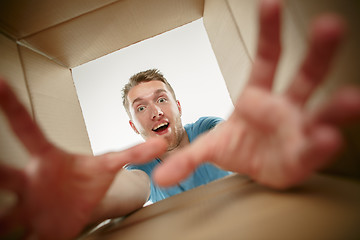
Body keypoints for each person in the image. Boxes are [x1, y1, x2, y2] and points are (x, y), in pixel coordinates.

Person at [1, 0, 360, 239]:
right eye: (140, 107)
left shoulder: (204, 129)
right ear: (133, 127)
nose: (154, 110)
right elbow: (126, 191)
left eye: (161, 99)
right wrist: (89, 201)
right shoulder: (141, 170)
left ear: (178, 106)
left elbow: (227, 141)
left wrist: (254, 145)